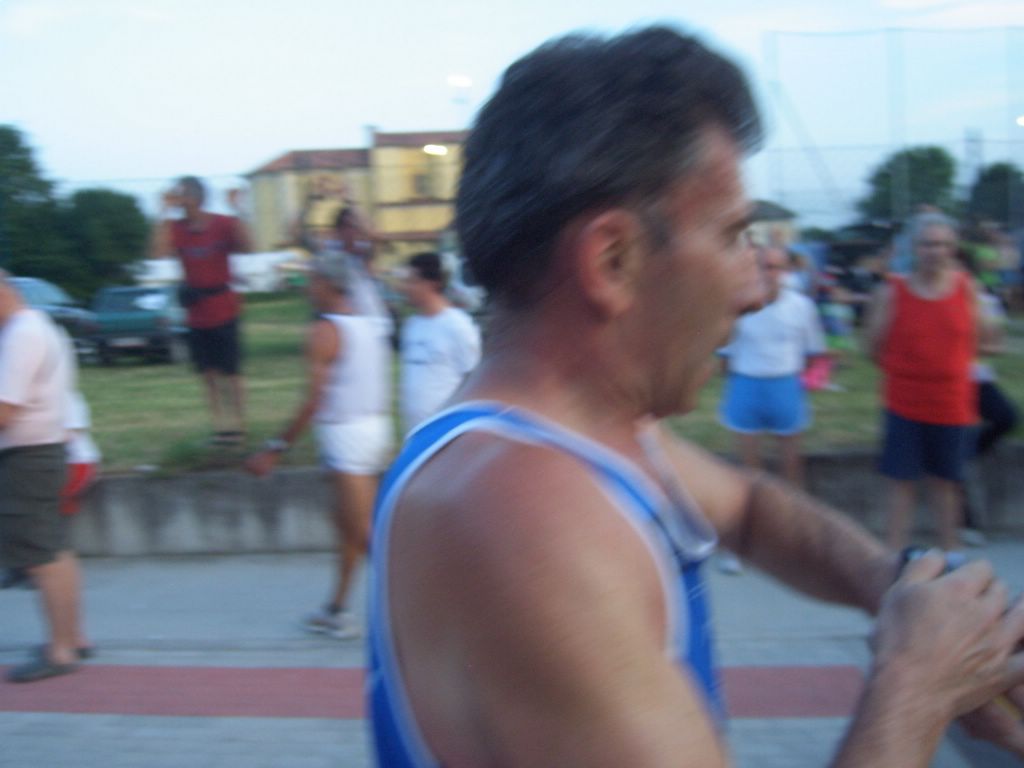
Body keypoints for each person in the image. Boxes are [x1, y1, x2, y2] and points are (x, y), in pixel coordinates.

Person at [366, 27, 1024, 767]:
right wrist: (917, 685)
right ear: (613, 259)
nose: (754, 289)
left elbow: (749, 507)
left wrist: (904, 595)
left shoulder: (581, 438)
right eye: (732, 235)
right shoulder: (525, 515)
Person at [245, 254, 392, 639]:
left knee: (362, 533)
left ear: (329, 284)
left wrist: (275, 448)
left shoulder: (325, 331)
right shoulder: (368, 324)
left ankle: (419, 610)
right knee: (349, 528)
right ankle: (336, 608)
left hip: (347, 438)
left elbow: (313, 400)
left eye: (312, 281)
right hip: (374, 430)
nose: (307, 288)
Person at [864, 212, 991, 553]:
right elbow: (873, 347)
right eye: (928, 244)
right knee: (900, 484)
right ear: (914, 248)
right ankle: (891, 560)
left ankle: (951, 555)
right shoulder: (891, 292)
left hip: (952, 404)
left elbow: (981, 340)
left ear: (953, 248)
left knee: (946, 484)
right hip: (904, 403)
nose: (936, 251)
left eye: (943, 244)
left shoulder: (967, 288)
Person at [0, 270, 91, 682]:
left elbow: (5, 411)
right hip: (45, 452)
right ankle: (73, 639)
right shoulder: (39, 326)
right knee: (56, 550)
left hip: (28, 458)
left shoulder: (21, 335)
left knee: (41, 558)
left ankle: (60, 650)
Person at [149, 176, 252, 445]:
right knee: (208, 375)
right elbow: (157, 253)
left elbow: (248, 246)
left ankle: (239, 426)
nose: (176, 198)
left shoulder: (222, 223)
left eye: (180, 194)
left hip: (224, 306)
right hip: (196, 311)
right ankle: (220, 428)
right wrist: (162, 212)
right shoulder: (176, 227)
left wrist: (238, 210)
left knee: (231, 373)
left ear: (194, 198)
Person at [719, 246, 827, 488]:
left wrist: (787, 373)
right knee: (749, 471)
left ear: (786, 270)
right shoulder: (737, 305)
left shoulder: (802, 306)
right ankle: (754, 511)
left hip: (785, 385)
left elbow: (811, 353)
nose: (767, 273)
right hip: (746, 385)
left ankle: (790, 510)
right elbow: (725, 357)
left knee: (791, 466)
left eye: (774, 267)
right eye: (762, 267)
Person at [398, 251, 481, 435]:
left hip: (445, 433)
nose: (405, 288)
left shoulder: (458, 325)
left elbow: (473, 378)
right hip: (413, 434)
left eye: (412, 281)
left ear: (433, 283)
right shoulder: (412, 325)